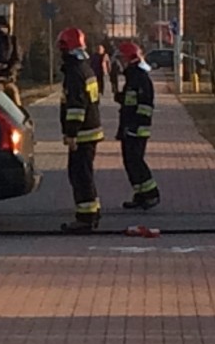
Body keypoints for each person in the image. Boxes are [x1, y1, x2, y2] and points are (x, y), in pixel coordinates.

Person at [57, 27, 104, 234]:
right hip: (91, 129)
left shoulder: (74, 72)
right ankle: (93, 211)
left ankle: (85, 218)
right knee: (84, 173)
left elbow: (76, 106)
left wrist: (72, 133)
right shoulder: (85, 68)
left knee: (79, 175)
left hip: (83, 133)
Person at [115, 42, 161, 210]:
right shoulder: (132, 77)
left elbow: (145, 106)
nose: (120, 61)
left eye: (122, 58)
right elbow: (131, 101)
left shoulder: (140, 78)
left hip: (137, 128)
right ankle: (140, 194)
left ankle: (152, 194)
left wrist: (135, 126)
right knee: (130, 162)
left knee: (136, 161)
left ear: (130, 59)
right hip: (129, 127)